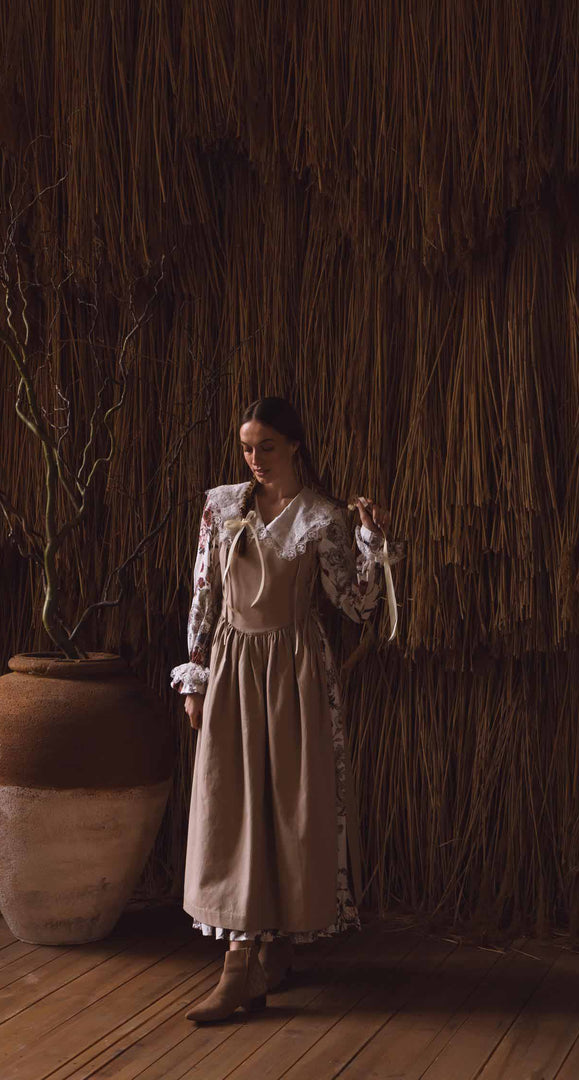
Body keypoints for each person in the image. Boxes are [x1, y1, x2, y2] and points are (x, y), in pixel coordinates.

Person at [170, 396, 405, 1023]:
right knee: (232, 806)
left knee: (286, 807)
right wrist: (194, 678)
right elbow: (204, 592)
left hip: (295, 672)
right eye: (246, 447)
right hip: (232, 667)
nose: (253, 459)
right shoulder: (222, 507)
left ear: (294, 445)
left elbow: (355, 605)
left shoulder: (323, 518)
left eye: (265, 446)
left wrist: (372, 541)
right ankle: (241, 960)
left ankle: (266, 952)